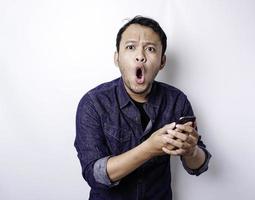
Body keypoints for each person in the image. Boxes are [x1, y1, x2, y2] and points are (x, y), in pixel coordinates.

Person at [75, 16, 211, 200]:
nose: (141, 56)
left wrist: (191, 151)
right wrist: (149, 148)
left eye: (150, 49)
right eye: (131, 47)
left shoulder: (177, 101)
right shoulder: (93, 103)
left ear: (162, 61)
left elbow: (198, 166)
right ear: (117, 58)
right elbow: (95, 175)